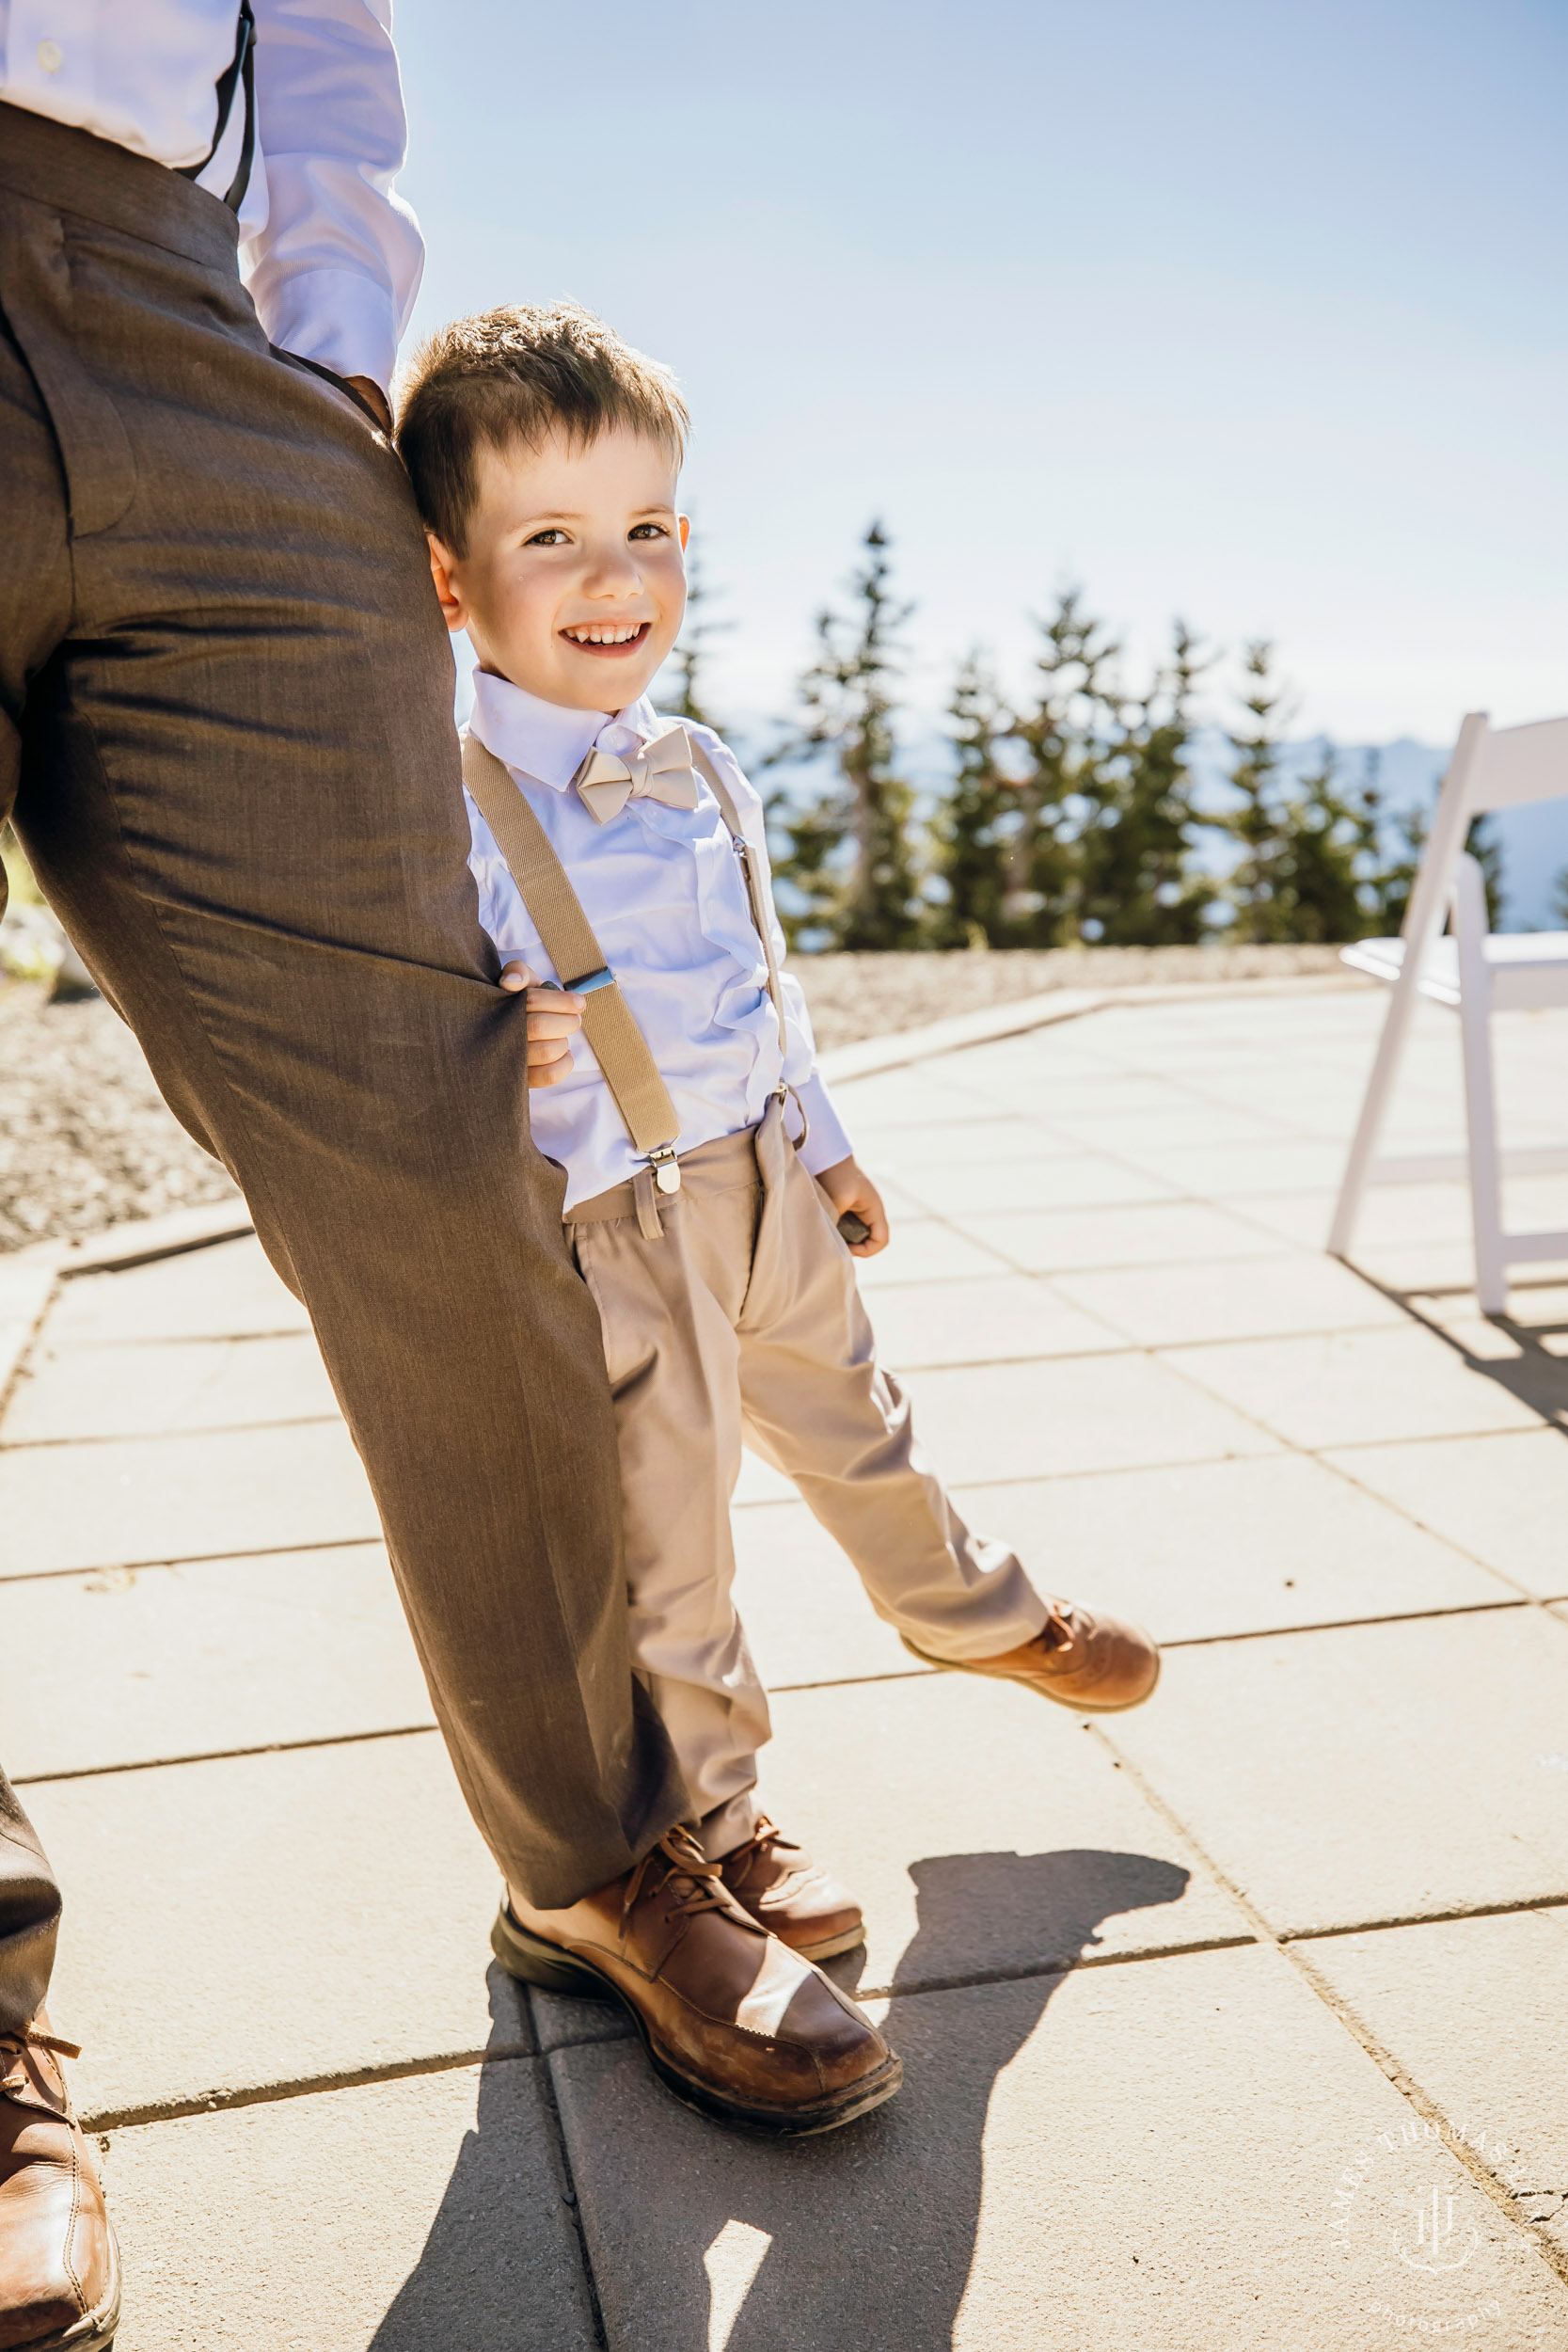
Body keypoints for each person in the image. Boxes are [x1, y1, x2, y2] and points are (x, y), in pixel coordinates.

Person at [0, 10, 869, 2342]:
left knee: (442, 1145)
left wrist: (319, 380)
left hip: (204, 335)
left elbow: (326, 52)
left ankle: (598, 1851)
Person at [393, 301, 1162, 2122]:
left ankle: (969, 1608)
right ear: (449, 580)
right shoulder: (443, 796)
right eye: (553, 538)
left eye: (650, 529)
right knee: (680, 1541)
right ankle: (718, 1830)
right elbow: (413, 1031)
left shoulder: (708, 767)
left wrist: (823, 1139)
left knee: (858, 1417)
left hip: (760, 1180)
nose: (615, 576)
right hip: (616, 1220)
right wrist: (495, 1055)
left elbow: (765, 978)